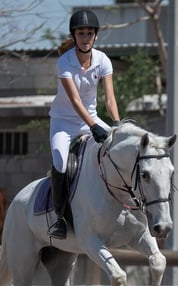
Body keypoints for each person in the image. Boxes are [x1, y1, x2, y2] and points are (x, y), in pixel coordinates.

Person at [48, 9, 120, 239]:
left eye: (90, 33)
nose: (86, 37)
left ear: (96, 36)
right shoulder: (64, 62)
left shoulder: (103, 60)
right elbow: (75, 101)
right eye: (81, 33)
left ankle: (127, 204)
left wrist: (117, 125)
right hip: (64, 122)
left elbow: (109, 99)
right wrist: (93, 126)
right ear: (74, 35)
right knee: (60, 161)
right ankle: (59, 217)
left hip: (92, 118)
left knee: (119, 150)